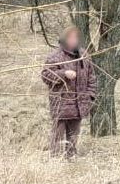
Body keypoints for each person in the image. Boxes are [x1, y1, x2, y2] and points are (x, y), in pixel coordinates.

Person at [41, 26, 97, 158]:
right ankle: (56, 161)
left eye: (76, 37)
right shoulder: (55, 56)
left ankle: (71, 159)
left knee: (73, 136)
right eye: (70, 37)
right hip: (61, 104)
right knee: (58, 137)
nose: (73, 40)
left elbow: (92, 78)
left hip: (79, 104)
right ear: (64, 39)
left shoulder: (84, 56)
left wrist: (90, 97)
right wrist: (63, 74)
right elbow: (45, 75)